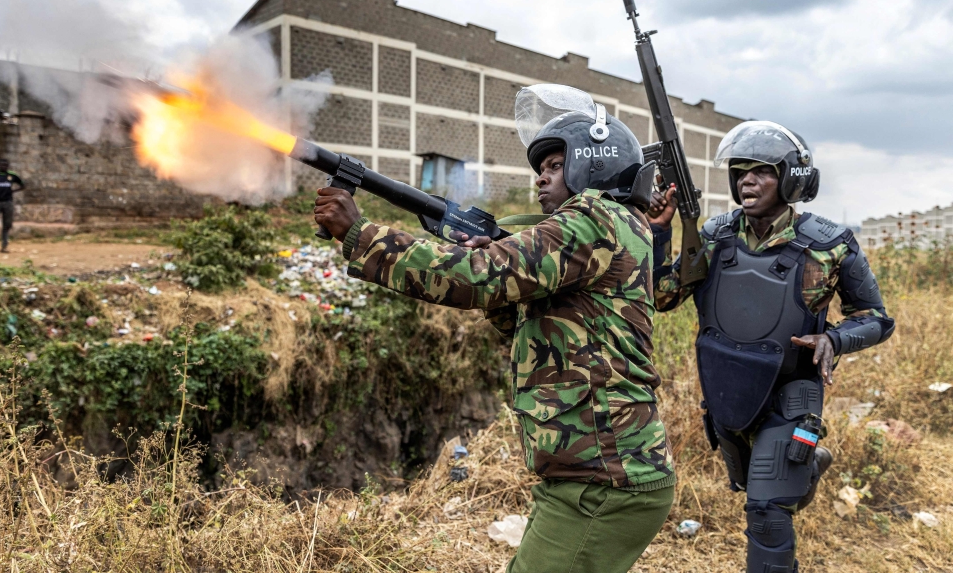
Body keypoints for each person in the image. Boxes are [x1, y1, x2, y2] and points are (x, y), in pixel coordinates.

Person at [315, 84, 674, 573]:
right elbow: (544, 331)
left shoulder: (594, 220)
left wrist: (362, 234)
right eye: (540, 169)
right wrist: (498, 274)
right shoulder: (614, 227)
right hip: (597, 471)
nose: (541, 180)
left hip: (604, 479)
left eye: (553, 166)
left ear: (593, 164)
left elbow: (475, 278)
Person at [647, 121, 894, 573]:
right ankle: (809, 467)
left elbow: (877, 318)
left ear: (792, 178)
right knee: (749, 486)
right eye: (741, 170)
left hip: (791, 392)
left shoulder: (829, 245)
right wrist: (662, 232)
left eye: (761, 171)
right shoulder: (715, 237)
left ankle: (792, 478)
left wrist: (833, 338)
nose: (747, 180)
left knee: (766, 510)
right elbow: (662, 297)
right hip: (729, 391)